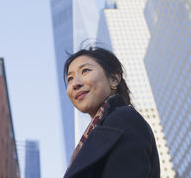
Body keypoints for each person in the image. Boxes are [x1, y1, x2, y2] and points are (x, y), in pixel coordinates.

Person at [63, 47, 160, 178]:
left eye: (85, 70)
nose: (75, 83)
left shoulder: (123, 119)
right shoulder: (96, 133)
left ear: (114, 78)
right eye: (70, 78)